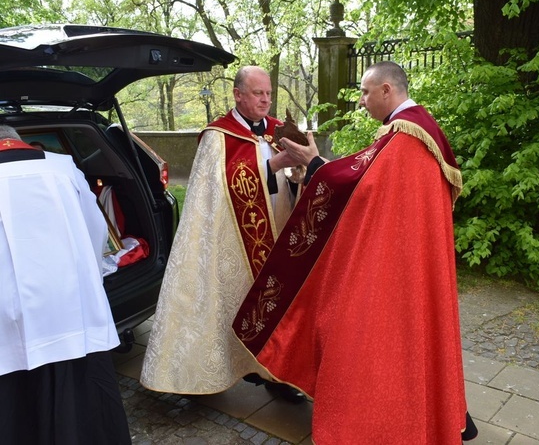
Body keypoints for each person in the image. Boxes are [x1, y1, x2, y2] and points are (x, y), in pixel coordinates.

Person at [233, 61, 478, 443]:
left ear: (386, 91)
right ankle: (434, 410)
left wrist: (312, 162)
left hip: (391, 265)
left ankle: (377, 420)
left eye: (366, 92)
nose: (362, 101)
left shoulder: (406, 137)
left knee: (354, 330)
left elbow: (358, 186)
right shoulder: (420, 131)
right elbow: (371, 181)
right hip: (411, 260)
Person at [141, 66, 305, 400]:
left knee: (279, 305)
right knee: (231, 306)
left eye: (269, 93)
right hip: (233, 245)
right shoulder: (218, 136)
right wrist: (274, 165)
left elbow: (294, 179)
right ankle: (217, 371)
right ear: (238, 94)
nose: (265, 100)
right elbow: (214, 191)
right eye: (258, 93)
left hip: (278, 232)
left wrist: (297, 169)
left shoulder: (278, 130)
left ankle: (278, 376)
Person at [0, 125, 131, 445]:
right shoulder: (63, 168)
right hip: (70, 306)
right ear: (19, 141)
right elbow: (96, 232)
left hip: (8, 319)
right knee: (80, 401)